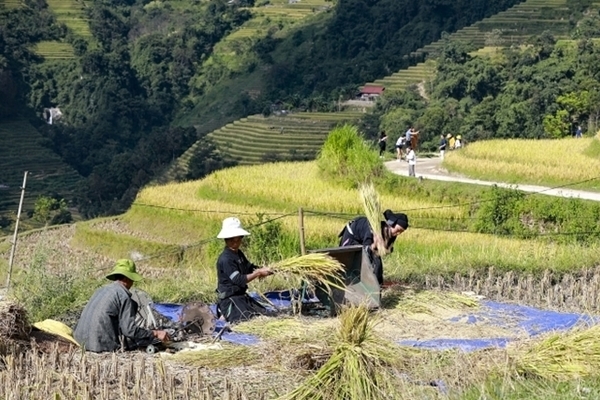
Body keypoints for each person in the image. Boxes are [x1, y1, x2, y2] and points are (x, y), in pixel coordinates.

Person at [73, 259, 169, 353]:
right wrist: (155, 333)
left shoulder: (101, 290)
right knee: (141, 343)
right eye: (132, 279)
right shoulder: (123, 296)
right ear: (127, 278)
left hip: (81, 341)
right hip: (99, 345)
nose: (133, 282)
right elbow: (130, 331)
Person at [215, 217, 273, 323]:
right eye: (232, 240)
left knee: (265, 315)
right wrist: (258, 273)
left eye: (238, 240)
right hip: (230, 299)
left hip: (242, 297)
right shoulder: (226, 259)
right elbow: (239, 279)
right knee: (249, 321)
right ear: (226, 240)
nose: (235, 243)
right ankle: (224, 314)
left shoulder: (238, 254)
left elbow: (249, 268)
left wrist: (268, 269)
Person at [338, 210, 409, 286]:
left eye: (401, 232)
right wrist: (375, 244)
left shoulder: (392, 235)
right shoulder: (373, 228)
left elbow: (388, 249)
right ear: (391, 224)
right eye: (398, 230)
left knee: (377, 265)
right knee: (355, 261)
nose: (398, 233)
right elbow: (367, 248)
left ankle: (378, 288)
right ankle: (348, 283)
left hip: (365, 243)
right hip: (352, 237)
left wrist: (385, 249)